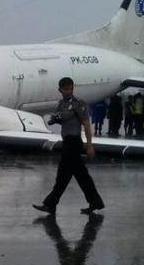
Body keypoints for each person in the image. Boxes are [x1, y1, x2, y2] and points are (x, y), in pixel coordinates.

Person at [33, 77, 105, 215]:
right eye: (65, 89)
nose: (68, 91)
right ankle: (95, 202)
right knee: (81, 176)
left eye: (70, 88)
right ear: (60, 90)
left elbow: (86, 125)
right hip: (67, 142)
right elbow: (65, 120)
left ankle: (50, 204)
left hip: (74, 143)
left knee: (63, 176)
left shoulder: (79, 104)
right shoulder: (61, 104)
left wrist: (89, 145)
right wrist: (56, 120)